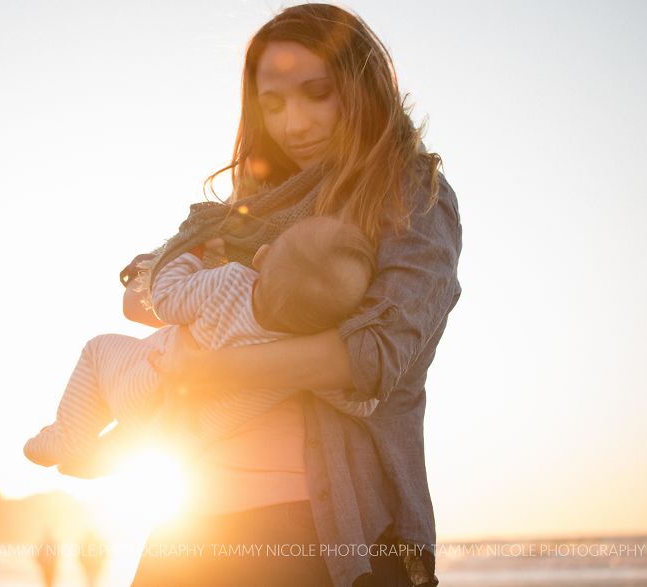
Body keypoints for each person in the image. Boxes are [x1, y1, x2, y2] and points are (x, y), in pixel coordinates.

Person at [117, 4, 462, 587]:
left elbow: (371, 355)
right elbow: (146, 294)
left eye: (317, 93)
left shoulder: (409, 193)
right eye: (273, 104)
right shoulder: (246, 208)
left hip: (327, 533)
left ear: (362, 85)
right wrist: (196, 271)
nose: (294, 123)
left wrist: (208, 373)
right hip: (193, 529)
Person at [23, 216, 378, 471]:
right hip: (189, 440)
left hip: (146, 385)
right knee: (142, 413)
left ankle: (70, 433)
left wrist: (190, 250)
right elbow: (356, 400)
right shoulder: (304, 355)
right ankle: (108, 449)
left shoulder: (229, 282)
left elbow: (165, 298)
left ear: (262, 256)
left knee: (99, 349)